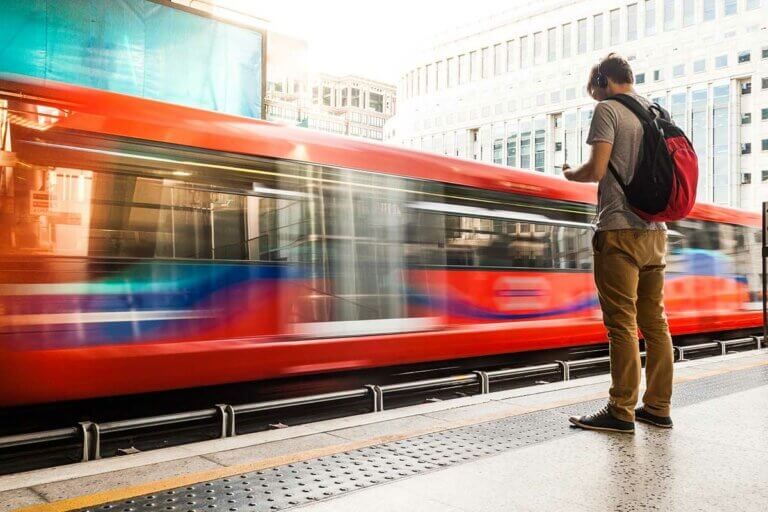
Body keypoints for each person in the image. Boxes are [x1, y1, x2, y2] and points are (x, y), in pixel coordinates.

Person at [562, 53, 674, 434]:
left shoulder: (608, 109)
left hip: (619, 229)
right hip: (656, 232)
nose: (595, 97)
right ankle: (658, 406)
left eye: (594, 91)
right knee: (656, 323)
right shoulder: (655, 110)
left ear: (603, 81)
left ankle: (621, 409)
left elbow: (595, 169)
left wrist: (569, 174)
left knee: (622, 324)